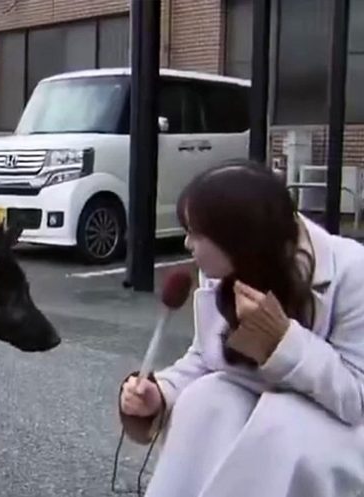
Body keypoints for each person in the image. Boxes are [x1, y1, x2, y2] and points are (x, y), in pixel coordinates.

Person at [118, 160, 364, 497]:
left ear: (238, 238)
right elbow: (206, 360)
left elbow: (357, 400)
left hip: (338, 431)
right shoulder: (224, 269)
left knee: (279, 422)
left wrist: (283, 342)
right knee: (205, 399)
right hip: (257, 408)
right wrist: (161, 392)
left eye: (196, 233)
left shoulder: (353, 271)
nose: (187, 244)